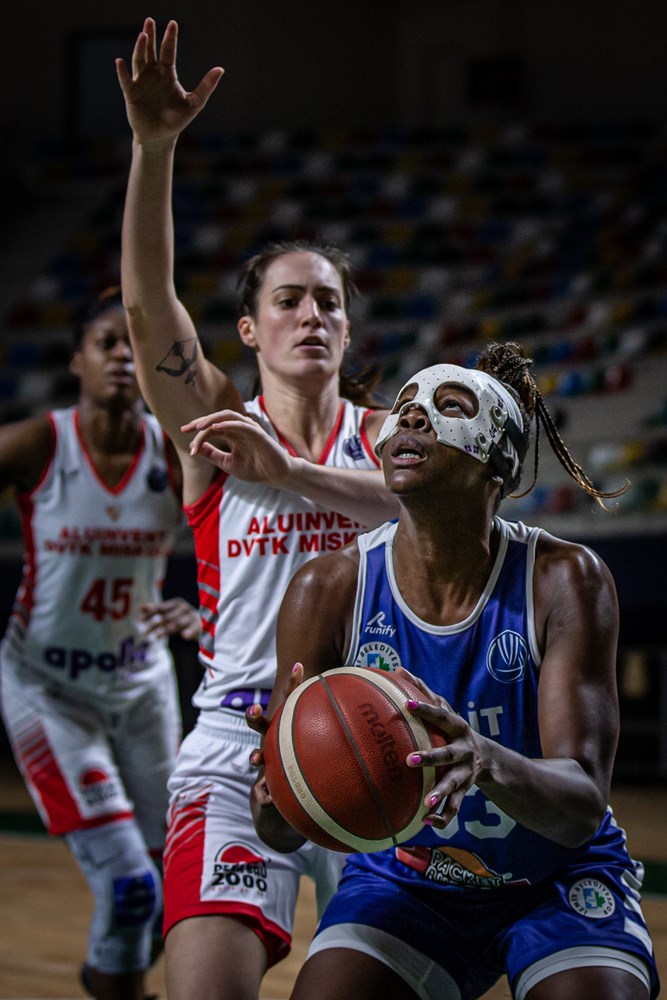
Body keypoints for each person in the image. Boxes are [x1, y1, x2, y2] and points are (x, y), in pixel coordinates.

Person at [115, 17, 398, 1000]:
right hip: (238, 744)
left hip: (378, 737)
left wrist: (292, 473)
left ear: (347, 329)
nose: (311, 313)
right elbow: (147, 308)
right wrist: (155, 149)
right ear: (247, 328)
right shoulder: (214, 429)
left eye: (329, 301)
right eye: (288, 299)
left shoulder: (390, 435)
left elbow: (428, 501)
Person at [249, 342, 660, 1000]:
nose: (414, 417)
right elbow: (277, 830)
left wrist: (485, 758)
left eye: (450, 407)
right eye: (406, 405)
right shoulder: (327, 588)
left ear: (499, 461)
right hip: (408, 879)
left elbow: (581, 805)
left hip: (555, 876)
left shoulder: (563, 579)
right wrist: (279, 786)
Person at [0, 287, 200, 1000]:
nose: (121, 356)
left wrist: (202, 609)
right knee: (131, 888)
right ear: (77, 361)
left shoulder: (174, 451)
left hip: (142, 685)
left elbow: (236, 540)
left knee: (171, 886)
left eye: (133, 345)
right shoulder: (36, 444)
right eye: (105, 343)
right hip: (48, 689)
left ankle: (106, 978)